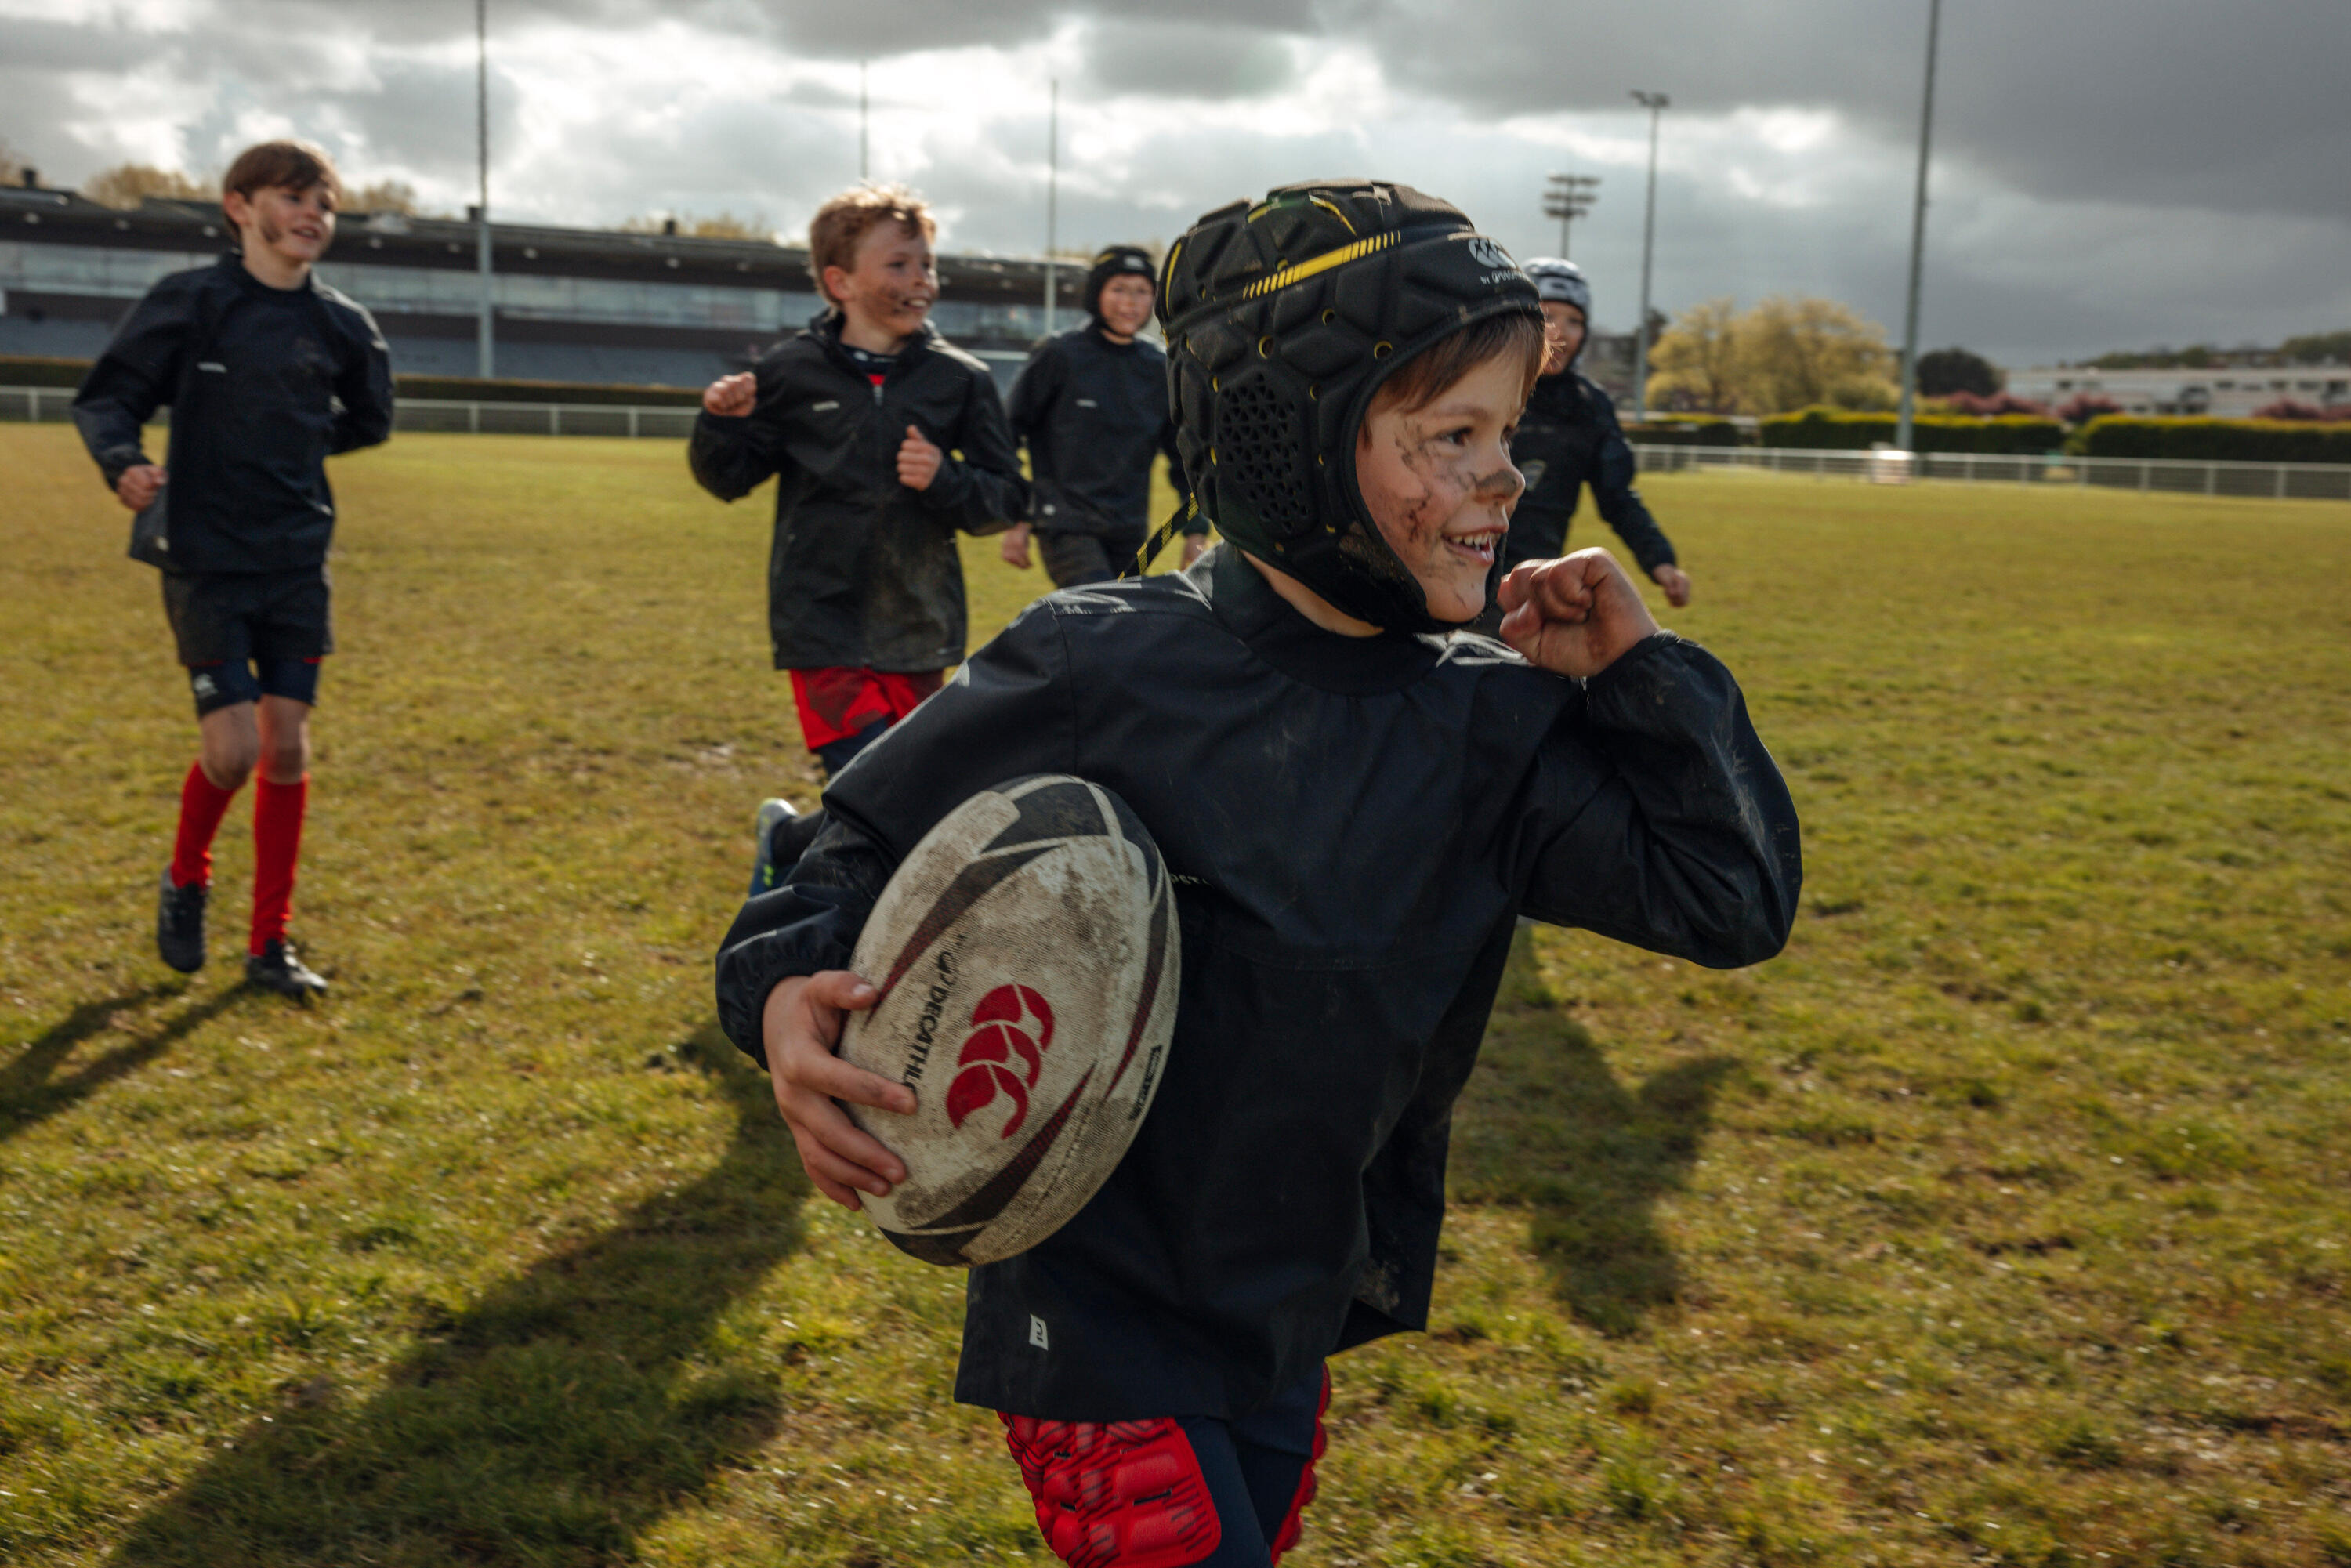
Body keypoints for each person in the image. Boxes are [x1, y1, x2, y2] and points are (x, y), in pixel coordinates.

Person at [715, 181, 1801, 1567]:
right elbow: (835, 861)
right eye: (1452, 436)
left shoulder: (1490, 718)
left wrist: (1645, 679)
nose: (1505, 478)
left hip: (1297, 1294)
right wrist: (779, 1002)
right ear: (1292, 440)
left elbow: (1728, 898)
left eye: (1507, 435)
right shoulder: (1091, 664)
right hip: (1098, 1315)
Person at [71, 138, 393, 998]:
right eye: (292, 200)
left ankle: (269, 947)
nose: (311, 217)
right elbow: (109, 397)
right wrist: (124, 463)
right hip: (204, 559)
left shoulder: (342, 326)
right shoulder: (192, 302)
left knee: (286, 745)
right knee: (234, 747)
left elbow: (369, 418)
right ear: (239, 208)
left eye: (323, 204)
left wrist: (288, 441)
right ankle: (186, 876)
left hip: (295, 557)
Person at [689, 183, 1027, 891]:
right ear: (840, 281)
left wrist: (944, 479)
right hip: (823, 625)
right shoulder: (787, 372)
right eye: (899, 266)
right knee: (878, 788)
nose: (921, 282)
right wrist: (721, 422)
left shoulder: (960, 382)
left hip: (919, 623)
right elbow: (728, 478)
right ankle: (826, 935)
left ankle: (786, 839)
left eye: (927, 265)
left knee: (909, 799)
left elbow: (1004, 498)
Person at [999, 245, 1200, 585]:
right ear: (1097, 293)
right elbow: (1006, 436)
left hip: (1129, 530)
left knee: (1116, 627)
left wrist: (1195, 532)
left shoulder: (1158, 367)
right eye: (1118, 289)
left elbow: (1184, 456)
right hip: (1066, 524)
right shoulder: (1059, 355)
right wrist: (1017, 517)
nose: (1130, 302)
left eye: (1141, 292)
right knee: (1104, 618)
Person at [1502, 257, 1692, 607]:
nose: (1560, 332)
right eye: (1547, 315)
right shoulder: (1481, 387)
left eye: (1575, 321)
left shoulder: (1589, 406)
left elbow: (1617, 495)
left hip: (1528, 593)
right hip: (1454, 581)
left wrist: (1660, 561)